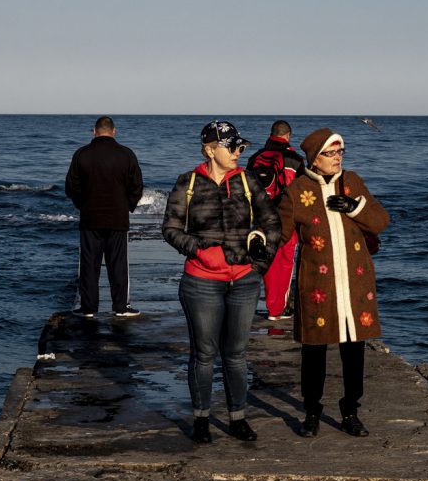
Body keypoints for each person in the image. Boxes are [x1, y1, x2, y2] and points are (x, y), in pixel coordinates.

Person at [162, 120, 281, 443]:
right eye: (232, 147)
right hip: (200, 282)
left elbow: (272, 222)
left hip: (244, 282)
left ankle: (237, 418)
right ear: (210, 150)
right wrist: (201, 250)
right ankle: (201, 419)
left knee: (236, 354)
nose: (238, 152)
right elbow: (170, 229)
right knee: (203, 354)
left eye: (240, 147)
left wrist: (260, 263)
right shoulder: (187, 183)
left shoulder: (247, 180)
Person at [277, 127, 389, 438]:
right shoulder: (297, 191)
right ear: (314, 159)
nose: (338, 158)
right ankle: (312, 411)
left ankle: (350, 410)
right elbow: (279, 232)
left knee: (354, 348)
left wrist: (356, 208)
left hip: (355, 282)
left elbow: (381, 220)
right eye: (331, 153)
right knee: (314, 350)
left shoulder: (352, 182)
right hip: (317, 284)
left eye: (340, 152)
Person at [65, 116, 144, 318]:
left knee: (89, 265)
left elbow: (71, 186)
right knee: (118, 264)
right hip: (117, 218)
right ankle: (121, 307)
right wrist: (128, 205)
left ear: (94, 131)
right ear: (114, 131)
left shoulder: (82, 154)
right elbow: (137, 186)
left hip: (90, 218)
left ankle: (88, 308)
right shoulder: (126, 154)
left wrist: (82, 205)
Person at [246, 120, 304, 321]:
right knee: (285, 263)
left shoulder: (255, 158)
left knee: (266, 261)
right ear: (288, 136)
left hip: (261, 217)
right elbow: (303, 192)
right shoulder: (295, 159)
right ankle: (278, 309)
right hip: (287, 218)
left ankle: (269, 306)